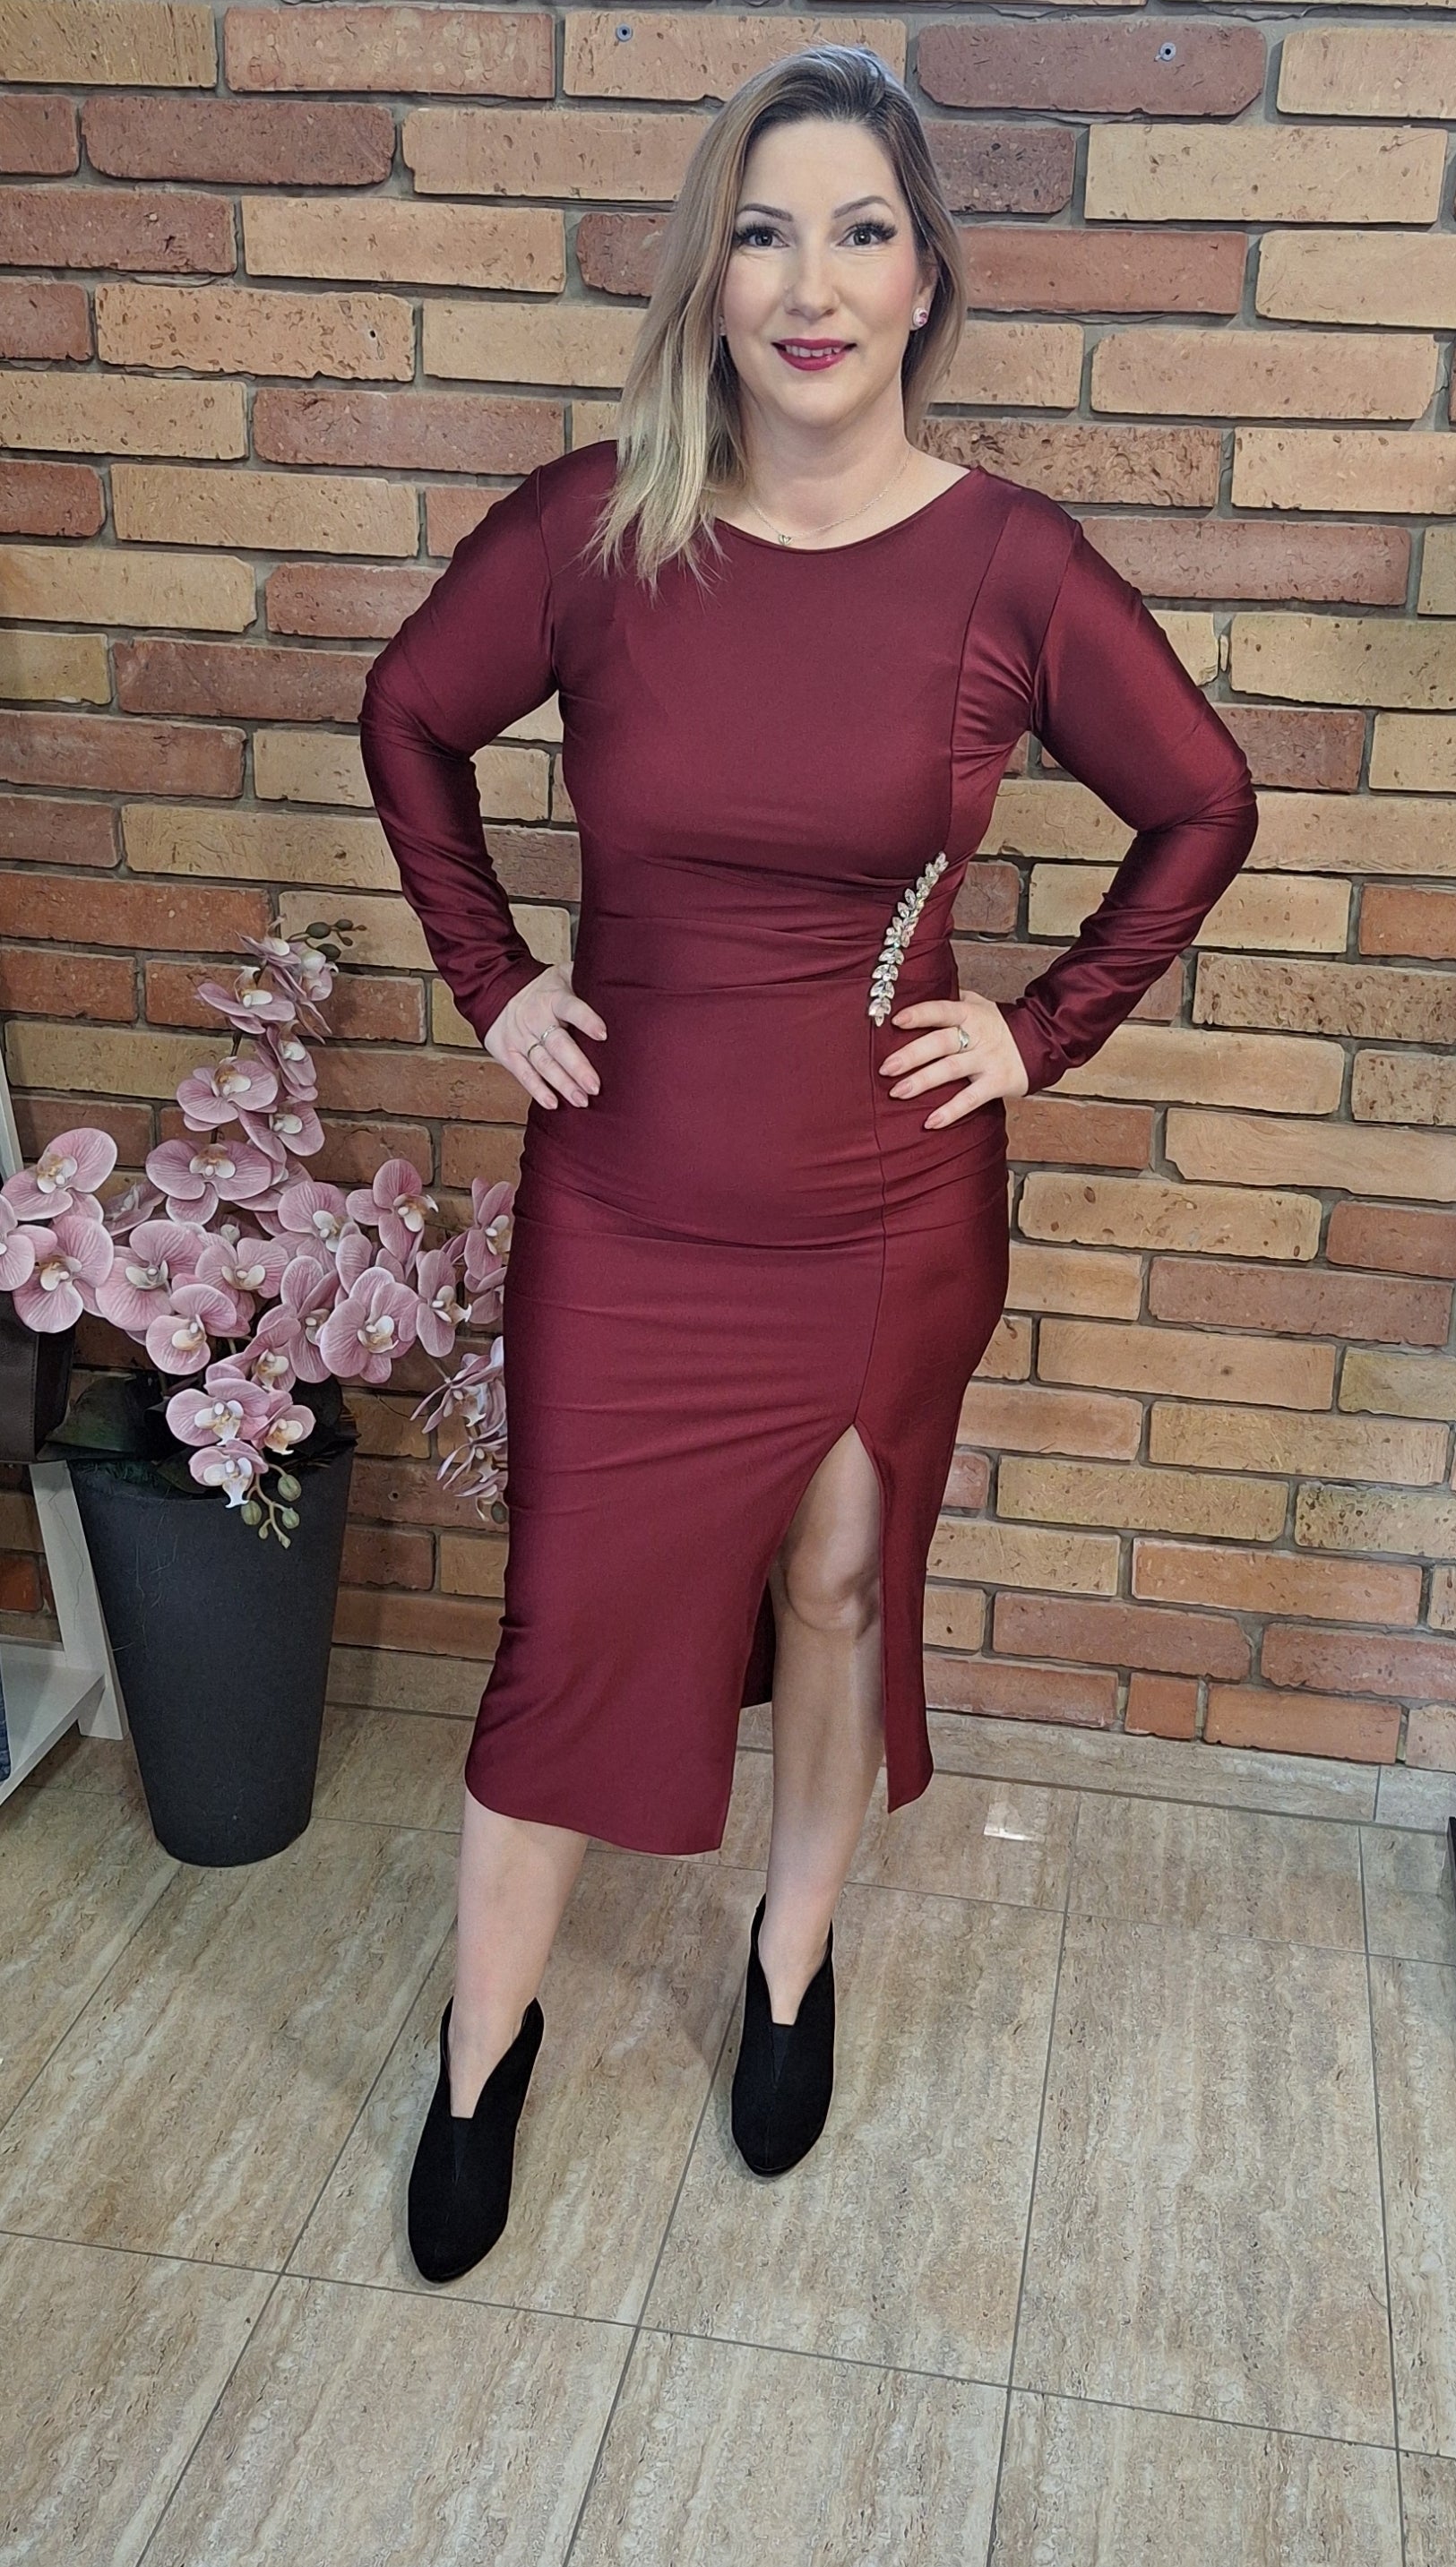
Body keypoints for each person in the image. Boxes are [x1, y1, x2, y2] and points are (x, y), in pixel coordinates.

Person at [358, 43, 1259, 2284]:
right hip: (627, 1195)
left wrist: (1038, 1028)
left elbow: (1204, 799)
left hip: (882, 1210)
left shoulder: (1009, 565)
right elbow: (408, 714)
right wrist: (490, 977)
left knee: (842, 1592)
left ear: (926, 278)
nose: (811, 282)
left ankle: (791, 1956)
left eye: (860, 232)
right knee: (566, 1626)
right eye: (763, 234)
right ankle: (479, 2053)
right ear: (713, 277)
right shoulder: (595, 529)